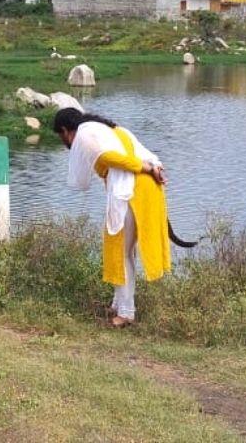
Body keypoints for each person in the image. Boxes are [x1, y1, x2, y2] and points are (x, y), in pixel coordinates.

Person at [53, 108, 171, 329]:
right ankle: (118, 304)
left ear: (65, 130)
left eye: (62, 137)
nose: (65, 142)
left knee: (122, 251)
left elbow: (110, 157)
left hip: (132, 191)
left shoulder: (85, 134)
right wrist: (150, 167)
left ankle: (126, 313)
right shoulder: (110, 130)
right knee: (124, 250)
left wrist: (144, 167)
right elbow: (142, 153)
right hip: (145, 191)